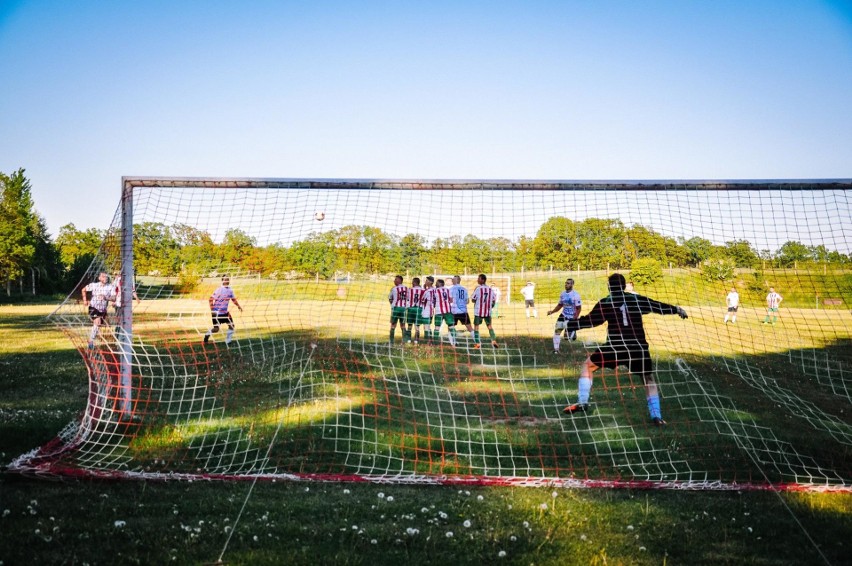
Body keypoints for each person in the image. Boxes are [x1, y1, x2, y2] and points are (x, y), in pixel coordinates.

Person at [562, 273, 688, 427]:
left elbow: (590, 321)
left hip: (615, 347)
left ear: (609, 286)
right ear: (623, 286)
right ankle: (656, 416)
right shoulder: (636, 299)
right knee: (648, 379)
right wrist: (676, 309)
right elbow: (657, 306)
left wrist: (570, 325)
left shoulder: (606, 302)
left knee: (588, 366)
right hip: (638, 348)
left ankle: (582, 401)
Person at [203, 276, 243, 346]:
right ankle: (206, 335)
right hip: (217, 313)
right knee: (216, 329)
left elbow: (233, 299)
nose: (227, 281)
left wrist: (238, 306)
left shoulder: (230, 290)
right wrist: (212, 309)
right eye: (225, 280)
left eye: (228, 279)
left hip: (225, 312)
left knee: (231, 325)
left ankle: (228, 341)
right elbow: (210, 299)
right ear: (222, 281)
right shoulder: (219, 290)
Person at [547, 278, 582, 354]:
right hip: (563, 315)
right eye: (566, 283)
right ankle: (556, 350)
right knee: (557, 331)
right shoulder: (562, 294)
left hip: (571, 317)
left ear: (572, 285)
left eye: (568, 283)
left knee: (566, 337)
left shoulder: (576, 295)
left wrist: (575, 318)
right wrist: (552, 312)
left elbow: (579, 308)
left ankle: (572, 331)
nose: (566, 284)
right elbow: (560, 305)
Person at [82, 271, 116, 349]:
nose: (105, 278)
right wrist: (84, 300)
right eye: (103, 276)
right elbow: (83, 290)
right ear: (99, 278)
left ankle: (91, 339)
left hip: (102, 309)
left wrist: (106, 298)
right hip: (93, 307)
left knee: (98, 325)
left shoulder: (111, 287)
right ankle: (91, 342)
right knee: (97, 322)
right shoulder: (94, 285)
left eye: (106, 276)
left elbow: (114, 298)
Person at [471, 274, 499, 349]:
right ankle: (493, 341)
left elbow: (473, 299)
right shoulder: (490, 289)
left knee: (476, 327)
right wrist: (490, 306)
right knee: (489, 326)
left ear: (483, 280)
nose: (477, 280)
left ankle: (477, 343)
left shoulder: (478, 289)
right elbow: (494, 300)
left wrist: (477, 301)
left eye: (478, 279)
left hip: (478, 311)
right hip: (487, 311)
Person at [113, 271, 140, 335]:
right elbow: (113, 290)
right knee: (119, 319)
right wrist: (113, 301)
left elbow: (132, 290)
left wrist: (137, 298)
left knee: (126, 319)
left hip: (126, 303)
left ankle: (125, 334)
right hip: (118, 302)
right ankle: (117, 334)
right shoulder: (117, 280)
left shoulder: (130, 281)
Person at [430, 278, 456, 346]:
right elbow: (451, 300)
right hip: (448, 311)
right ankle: (454, 342)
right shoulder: (448, 290)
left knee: (437, 327)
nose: (435, 284)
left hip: (439, 311)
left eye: (436, 283)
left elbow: (433, 301)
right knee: (451, 327)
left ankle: (435, 343)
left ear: (439, 284)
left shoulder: (435, 291)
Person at [449, 275, 475, 339]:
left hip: (454, 311)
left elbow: (450, 300)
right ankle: (477, 342)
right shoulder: (464, 289)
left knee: (450, 327)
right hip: (463, 311)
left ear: (457, 280)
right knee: (469, 327)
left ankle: (453, 343)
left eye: (453, 279)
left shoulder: (451, 289)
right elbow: (467, 301)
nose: (452, 280)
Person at [388, 275, 409, 344]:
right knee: (403, 324)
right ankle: (404, 340)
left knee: (393, 324)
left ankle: (391, 341)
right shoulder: (406, 288)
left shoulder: (394, 289)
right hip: (403, 309)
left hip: (396, 308)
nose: (394, 281)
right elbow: (408, 299)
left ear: (400, 280)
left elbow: (390, 298)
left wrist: (392, 305)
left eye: (396, 279)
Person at [406, 277, 426, 344]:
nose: (412, 283)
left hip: (411, 309)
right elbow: (424, 300)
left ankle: (408, 339)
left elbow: (407, 299)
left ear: (414, 282)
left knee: (409, 325)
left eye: (412, 282)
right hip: (419, 309)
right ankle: (416, 340)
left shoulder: (410, 290)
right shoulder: (423, 290)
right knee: (417, 326)